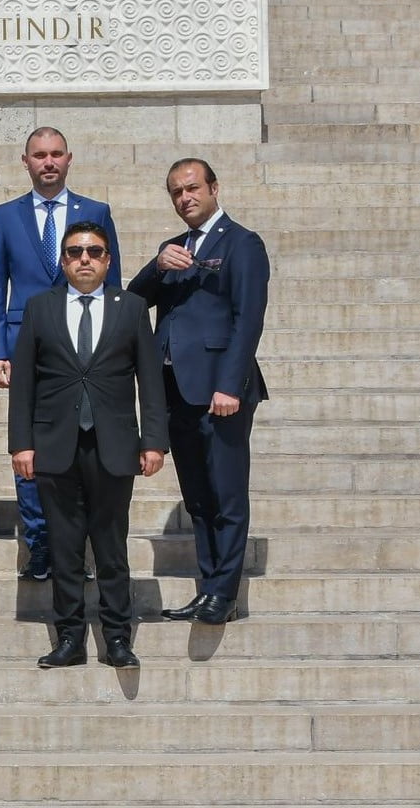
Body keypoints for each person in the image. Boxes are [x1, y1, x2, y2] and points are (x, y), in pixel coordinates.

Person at [10, 222, 169, 670]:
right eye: (75, 252)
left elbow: (150, 381)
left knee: (111, 547)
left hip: (113, 446)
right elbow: (23, 381)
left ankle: (117, 636)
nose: (84, 259)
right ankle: (69, 639)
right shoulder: (40, 308)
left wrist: (154, 441)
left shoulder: (132, 308)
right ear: (63, 260)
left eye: (94, 252)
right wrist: (21, 443)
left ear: (107, 260)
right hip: (54, 445)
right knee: (63, 548)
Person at [126, 158, 270, 627]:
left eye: (192, 188)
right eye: (176, 192)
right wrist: (155, 265)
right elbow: (132, 299)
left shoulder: (243, 243)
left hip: (220, 391)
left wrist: (230, 384)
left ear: (213, 188)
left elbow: (248, 320)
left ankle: (224, 593)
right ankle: (207, 588)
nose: (185, 198)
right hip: (175, 390)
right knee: (199, 498)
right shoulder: (174, 247)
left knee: (226, 494)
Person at [0, 127, 121, 581]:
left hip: (83, 346)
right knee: (30, 447)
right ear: (25, 161)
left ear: (69, 159)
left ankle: (80, 545)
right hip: (27, 343)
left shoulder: (96, 211)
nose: (48, 162)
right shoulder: (6, 216)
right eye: (39, 155)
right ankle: (40, 543)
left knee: (83, 446)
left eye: (56, 154)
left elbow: (111, 283)